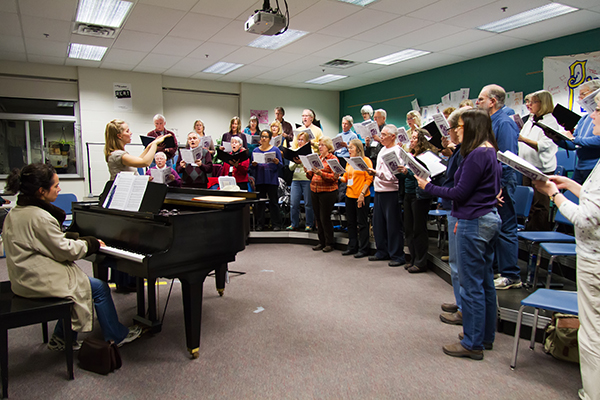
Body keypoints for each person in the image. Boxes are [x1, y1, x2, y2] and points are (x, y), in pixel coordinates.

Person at [3, 163, 142, 350]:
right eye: (56, 186)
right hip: (35, 280)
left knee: (80, 283)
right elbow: (65, 251)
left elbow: (46, 242)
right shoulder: (39, 217)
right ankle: (116, 335)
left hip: (22, 276)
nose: (59, 189)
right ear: (41, 191)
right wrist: (90, 243)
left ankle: (61, 336)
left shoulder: (17, 212)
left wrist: (78, 238)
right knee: (98, 287)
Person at [416, 109, 502, 360]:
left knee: (471, 286)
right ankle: (484, 337)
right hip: (486, 219)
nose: (455, 131)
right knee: (484, 283)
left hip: (472, 222)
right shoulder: (490, 151)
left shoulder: (476, 155)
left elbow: (460, 193)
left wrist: (428, 186)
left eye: (459, 127)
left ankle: (472, 343)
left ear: (473, 127)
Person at [532, 92, 600, 400]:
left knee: (593, 332)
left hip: (594, 258)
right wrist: (572, 186)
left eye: (597, 111)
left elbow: (586, 219)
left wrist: (554, 195)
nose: (592, 117)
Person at [477, 84, 522, 290]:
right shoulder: (489, 122)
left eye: (480, 99)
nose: (477, 103)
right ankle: (496, 269)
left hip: (503, 182)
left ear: (492, 101)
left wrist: (499, 186)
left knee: (506, 228)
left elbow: (507, 158)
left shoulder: (504, 123)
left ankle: (511, 275)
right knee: (495, 228)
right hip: (492, 183)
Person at [438, 107, 468, 325]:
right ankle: (460, 303)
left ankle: (464, 309)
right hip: (453, 207)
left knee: (460, 265)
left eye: (450, 128)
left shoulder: (471, 151)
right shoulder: (460, 150)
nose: (448, 132)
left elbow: (460, 188)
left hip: (459, 209)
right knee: (456, 264)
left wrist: (430, 188)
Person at [518, 90, 559, 230]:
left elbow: (544, 145)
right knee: (529, 203)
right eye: (528, 102)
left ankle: (539, 232)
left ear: (543, 103)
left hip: (541, 168)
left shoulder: (551, 122)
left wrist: (523, 139)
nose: (529, 105)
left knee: (540, 204)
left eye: (533, 102)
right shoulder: (530, 120)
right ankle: (529, 231)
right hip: (526, 166)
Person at [397, 129, 437, 274]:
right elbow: (407, 177)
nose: (411, 140)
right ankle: (413, 258)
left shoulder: (426, 156)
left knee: (419, 229)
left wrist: (408, 173)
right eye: (411, 138)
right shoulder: (410, 156)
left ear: (422, 140)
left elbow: (424, 175)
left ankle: (421, 262)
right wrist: (399, 172)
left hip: (420, 195)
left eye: (415, 138)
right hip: (408, 193)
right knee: (409, 228)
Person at [367, 124, 406, 267]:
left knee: (393, 225)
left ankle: (397, 255)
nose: (380, 137)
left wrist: (376, 173)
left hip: (391, 192)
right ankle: (382, 251)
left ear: (393, 136)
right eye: (381, 135)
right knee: (378, 224)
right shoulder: (383, 149)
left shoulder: (397, 152)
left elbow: (394, 177)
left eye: (383, 135)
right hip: (379, 191)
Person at [553, 79, 600, 184]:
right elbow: (573, 145)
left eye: (583, 94)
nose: (580, 99)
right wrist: (557, 139)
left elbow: (597, 140)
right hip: (580, 167)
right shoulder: (584, 119)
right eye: (579, 96)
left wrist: (574, 139)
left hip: (594, 167)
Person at [104, 118, 168, 180]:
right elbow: (145, 162)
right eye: (127, 131)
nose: (130, 133)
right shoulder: (118, 155)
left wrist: (151, 144)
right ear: (119, 136)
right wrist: (155, 144)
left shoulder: (119, 153)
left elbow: (139, 160)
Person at [340, 139, 373, 258]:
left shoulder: (366, 161)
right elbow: (345, 178)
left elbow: (369, 179)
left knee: (362, 223)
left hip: (362, 196)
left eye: (351, 148)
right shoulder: (349, 162)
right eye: (348, 148)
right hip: (349, 195)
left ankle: (364, 249)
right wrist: (337, 176)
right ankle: (352, 247)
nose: (349, 150)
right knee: (351, 223)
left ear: (358, 149)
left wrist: (362, 194)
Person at [306, 137, 339, 252]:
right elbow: (311, 176)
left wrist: (321, 173)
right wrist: (308, 171)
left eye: (322, 145)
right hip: (315, 190)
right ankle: (321, 242)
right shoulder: (318, 158)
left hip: (328, 191)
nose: (320, 147)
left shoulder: (333, 159)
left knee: (325, 217)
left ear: (328, 147)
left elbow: (335, 178)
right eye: (319, 145)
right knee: (318, 218)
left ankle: (329, 243)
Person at [251, 129, 283, 231]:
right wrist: (253, 165)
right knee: (260, 203)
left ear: (270, 139)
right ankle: (260, 224)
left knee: (274, 202)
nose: (263, 138)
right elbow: (251, 168)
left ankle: (276, 224)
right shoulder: (256, 151)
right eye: (262, 136)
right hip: (260, 179)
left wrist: (277, 162)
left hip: (272, 179)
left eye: (266, 137)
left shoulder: (275, 150)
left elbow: (282, 166)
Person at [287, 131, 314, 231]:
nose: (300, 141)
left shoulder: (311, 153)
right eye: (298, 139)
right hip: (295, 180)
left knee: (308, 203)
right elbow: (290, 168)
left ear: (307, 141)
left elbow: (312, 167)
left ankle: (309, 224)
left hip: (307, 180)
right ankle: (294, 224)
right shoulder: (294, 151)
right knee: (294, 203)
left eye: (302, 140)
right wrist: (296, 162)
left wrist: (302, 162)